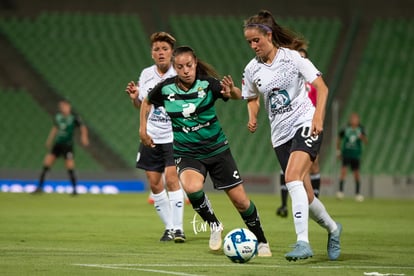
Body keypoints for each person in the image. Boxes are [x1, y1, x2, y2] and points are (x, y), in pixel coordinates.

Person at [139, 46, 272, 257]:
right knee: (191, 189)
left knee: (240, 201)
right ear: (175, 67)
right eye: (180, 67)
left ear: (195, 64)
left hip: (217, 149)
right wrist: (143, 129)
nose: (185, 71)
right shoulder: (165, 88)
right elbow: (146, 102)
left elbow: (239, 95)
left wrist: (232, 92)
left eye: (189, 66)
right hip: (187, 151)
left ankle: (262, 240)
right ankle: (214, 225)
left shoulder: (208, 84)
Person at [241, 10, 342, 261]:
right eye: (249, 42)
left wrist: (318, 117)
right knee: (306, 195)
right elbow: (251, 96)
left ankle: (302, 242)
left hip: (305, 122)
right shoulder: (252, 70)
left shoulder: (293, 58)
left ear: (269, 35)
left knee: (292, 176)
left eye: (257, 40)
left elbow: (322, 87)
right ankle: (333, 228)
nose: (253, 46)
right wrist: (252, 115)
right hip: (280, 135)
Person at [125, 32, 186, 242]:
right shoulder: (146, 75)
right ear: (152, 53)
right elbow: (143, 106)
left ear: (172, 53)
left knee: (171, 179)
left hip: (174, 136)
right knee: (154, 183)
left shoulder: (178, 75)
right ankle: (169, 227)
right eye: (156, 49)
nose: (160, 52)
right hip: (152, 136)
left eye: (164, 49)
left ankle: (179, 228)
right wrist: (135, 99)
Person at [276, 48, 321, 218]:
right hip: (287, 129)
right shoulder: (287, 82)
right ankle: (284, 204)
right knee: (288, 167)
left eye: (302, 58)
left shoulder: (312, 86)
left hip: (307, 125)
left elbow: (317, 104)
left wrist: (317, 120)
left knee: (313, 165)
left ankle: (314, 201)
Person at [33, 99, 89, 195]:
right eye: (61, 106)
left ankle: (75, 189)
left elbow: (83, 127)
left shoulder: (74, 117)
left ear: (68, 106)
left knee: (69, 166)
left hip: (67, 145)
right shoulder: (58, 117)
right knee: (47, 163)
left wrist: (84, 137)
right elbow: (55, 128)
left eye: (64, 106)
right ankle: (39, 187)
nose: (62, 108)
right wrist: (49, 139)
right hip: (58, 144)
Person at [336, 112, 368, 202]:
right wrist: (338, 151)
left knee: (356, 174)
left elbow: (366, 141)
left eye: (356, 119)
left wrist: (362, 137)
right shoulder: (346, 129)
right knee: (343, 172)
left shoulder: (361, 129)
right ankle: (340, 191)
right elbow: (339, 138)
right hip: (346, 154)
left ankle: (357, 193)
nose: (354, 120)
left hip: (356, 155)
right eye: (353, 119)